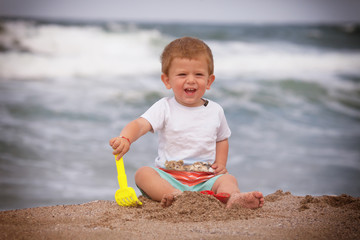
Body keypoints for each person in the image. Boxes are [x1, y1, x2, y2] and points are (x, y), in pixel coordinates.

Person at [109, 37, 264, 209]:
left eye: (198, 74)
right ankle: (176, 196)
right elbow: (140, 125)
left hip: (205, 179)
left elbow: (222, 138)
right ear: (167, 80)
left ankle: (233, 198)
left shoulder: (216, 110)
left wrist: (221, 163)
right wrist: (126, 138)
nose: (191, 80)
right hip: (169, 177)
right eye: (182, 74)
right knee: (143, 174)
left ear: (209, 81)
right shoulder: (164, 107)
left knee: (228, 179)